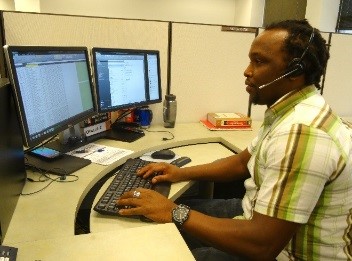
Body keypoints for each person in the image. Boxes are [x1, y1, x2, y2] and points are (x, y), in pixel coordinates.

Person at [117, 19, 352, 260]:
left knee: (160, 249)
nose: (247, 71)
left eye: (259, 61)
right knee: (150, 224)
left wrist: (175, 212)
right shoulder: (291, 111)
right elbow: (242, 163)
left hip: (286, 252)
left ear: (296, 71)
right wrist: (180, 173)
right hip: (255, 214)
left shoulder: (301, 134)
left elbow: (262, 246)